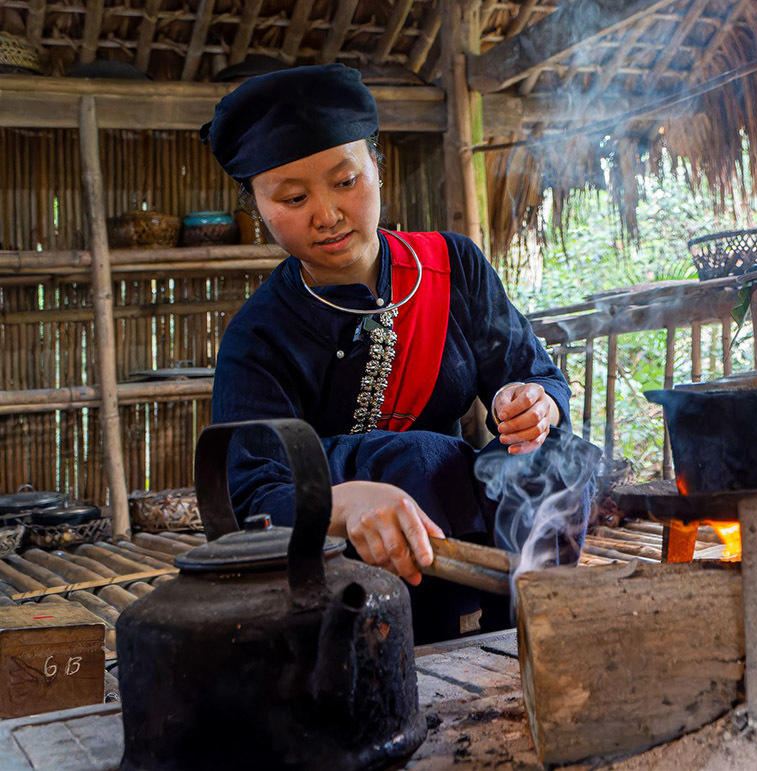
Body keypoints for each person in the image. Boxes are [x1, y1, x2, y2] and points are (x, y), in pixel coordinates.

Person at [204, 64, 590, 642]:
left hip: (463, 518)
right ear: (257, 205)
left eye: (345, 181)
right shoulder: (259, 336)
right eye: (292, 196)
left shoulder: (453, 267)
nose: (327, 214)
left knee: (560, 459)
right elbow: (253, 500)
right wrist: (342, 503)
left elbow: (534, 374)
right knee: (418, 461)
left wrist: (535, 403)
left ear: (377, 170)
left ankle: (529, 637)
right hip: (347, 570)